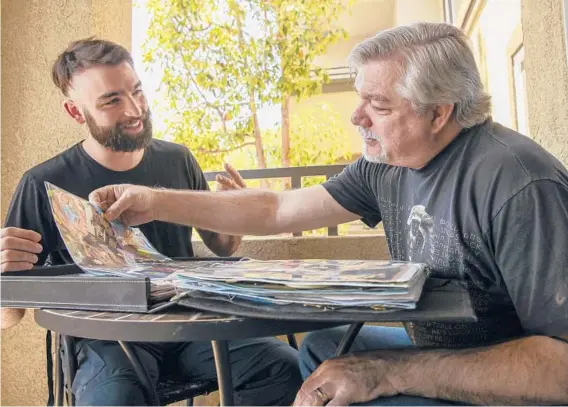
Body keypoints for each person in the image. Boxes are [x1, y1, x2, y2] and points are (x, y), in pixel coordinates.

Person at [88, 22, 568, 406]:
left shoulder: (519, 184)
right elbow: (277, 208)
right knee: (324, 349)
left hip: (511, 383)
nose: (357, 117)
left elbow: (561, 369)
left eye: (376, 105)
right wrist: (156, 201)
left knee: (354, 377)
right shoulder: (389, 164)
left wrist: (389, 373)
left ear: (439, 112)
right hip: (449, 351)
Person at [0, 38, 302, 406]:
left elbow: (222, 246)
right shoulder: (42, 183)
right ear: (76, 113)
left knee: (287, 369)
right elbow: (8, 316)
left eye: (137, 91)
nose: (134, 109)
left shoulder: (179, 160)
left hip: (192, 325)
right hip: (107, 340)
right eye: (112, 100)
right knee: (113, 398)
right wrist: (6, 273)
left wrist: (233, 212)